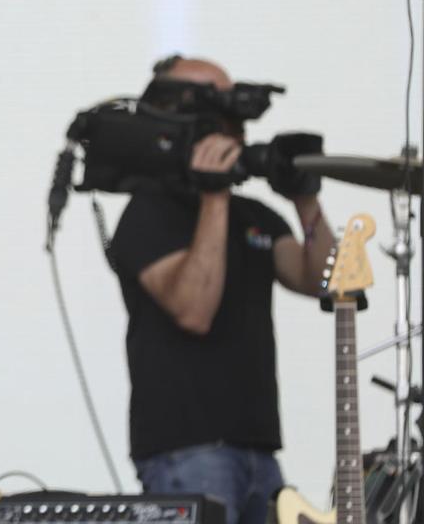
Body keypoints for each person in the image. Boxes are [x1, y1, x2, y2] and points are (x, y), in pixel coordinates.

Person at [108, 55, 335, 524]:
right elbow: (194, 310)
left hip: (260, 450)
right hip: (186, 451)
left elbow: (324, 280)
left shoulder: (253, 215)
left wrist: (306, 199)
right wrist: (214, 196)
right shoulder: (149, 212)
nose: (233, 125)